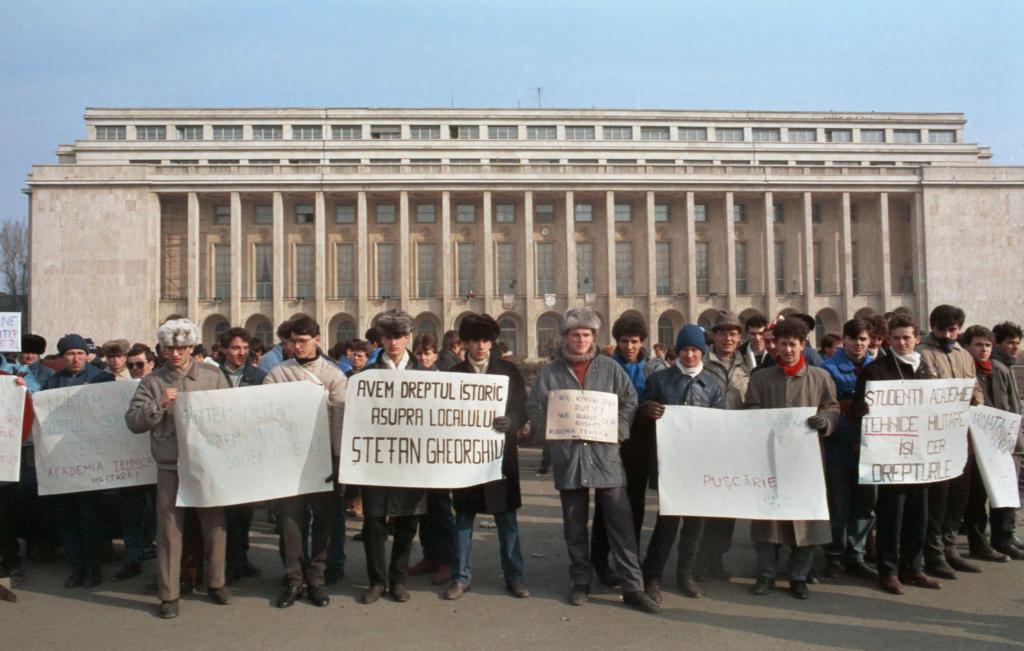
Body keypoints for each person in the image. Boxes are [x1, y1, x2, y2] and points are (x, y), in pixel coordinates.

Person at [526, 307, 659, 613]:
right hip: (569, 457)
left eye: (586, 335)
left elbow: (629, 401)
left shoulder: (609, 369)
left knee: (621, 523)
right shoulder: (551, 373)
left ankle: (633, 587)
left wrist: (620, 429)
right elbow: (534, 406)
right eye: (575, 334)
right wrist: (550, 431)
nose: (581, 340)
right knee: (574, 525)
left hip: (606, 456)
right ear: (565, 337)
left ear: (594, 336)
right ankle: (580, 581)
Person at [125, 319, 232, 619]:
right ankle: (169, 594)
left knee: (215, 525)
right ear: (161, 349)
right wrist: (158, 405)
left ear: (191, 347)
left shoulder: (213, 376)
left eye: (181, 348)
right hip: (169, 465)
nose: (175, 353)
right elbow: (133, 421)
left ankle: (217, 582)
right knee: (169, 530)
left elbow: (230, 414)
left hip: (207, 464)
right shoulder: (152, 382)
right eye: (169, 348)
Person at [745, 318, 839, 600]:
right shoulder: (761, 379)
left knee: (806, 518)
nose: (787, 349)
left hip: (806, 461)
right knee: (768, 520)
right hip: (770, 459)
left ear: (803, 345)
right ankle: (766, 574)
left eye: (793, 344)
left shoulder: (820, 377)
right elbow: (751, 409)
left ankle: (799, 576)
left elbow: (832, 407)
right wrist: (761, 420)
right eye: (782, 343)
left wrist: (826, 420)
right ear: (775, 345)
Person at [851, 313, 942, 593]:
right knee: (892, 515)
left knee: (919, 514)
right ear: (888, 340)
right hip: (890, 454)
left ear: (917, 338)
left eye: (907, 338)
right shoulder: (875, 371)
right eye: (896, 338)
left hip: (920, 454)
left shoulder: (927, 369)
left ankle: (913, 567)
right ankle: (888, 571)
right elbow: (857, 410)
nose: (902, 343)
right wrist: (869, 411)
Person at [263, 317, 347, 608]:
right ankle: (293, 578)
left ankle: (317, 577)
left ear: (317, 339)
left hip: (324, 460)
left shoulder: (334, 375)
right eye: (292, 341)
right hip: (289, 460)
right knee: (290, 522)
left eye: (303, 341)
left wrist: (338, 459)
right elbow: (266, 417)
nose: (297, 346)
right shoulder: (277, 374)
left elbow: (340, 418)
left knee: (324, 521)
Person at [445, 314, 530, 600]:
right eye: (474, 340)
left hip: (500, 457)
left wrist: (512, 420)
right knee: (463, 519)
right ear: (465, 343)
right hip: (466, 458)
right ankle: (461, 577)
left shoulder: (508, 371)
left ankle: (514, 576)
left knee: (507, 520)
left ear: (492, 342)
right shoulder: (454, 374)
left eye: (485, 340)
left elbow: (522, 408)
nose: (480, 346)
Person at [639, 324, 724, 602]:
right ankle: (653, 575)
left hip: (699, 464)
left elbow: (719, 425)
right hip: (670, 462)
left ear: (703, 352)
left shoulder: (711, 385)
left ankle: (685, 574)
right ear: (677, 352)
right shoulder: (660, 380)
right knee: (667, 522)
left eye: (695, 350)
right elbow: (641, 413)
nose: (689, 355)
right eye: (685, 349)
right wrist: (646, 410)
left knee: (695, 524)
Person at [589, 314, 666, 588]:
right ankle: (600, 561)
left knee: (635, 504)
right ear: (617, 341)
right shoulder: (604, 367)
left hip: (640, 445)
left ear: (642, 341)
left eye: (634, 341)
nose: (629, 346)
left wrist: (649, 410)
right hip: (609, 443)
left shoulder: (652, 370)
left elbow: (658, 401)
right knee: (605, 505)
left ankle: (630, 560)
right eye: (624, 341)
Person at [358, 309, 428, 605]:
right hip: (376, 460)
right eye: (388, 336)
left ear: (408, 337)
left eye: (399, 336)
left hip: (412, 461)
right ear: (381, 339)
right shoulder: (365, 376)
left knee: (407, 523)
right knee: (374, 522)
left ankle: (398, 580)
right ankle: (376, 581)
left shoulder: (426, 376)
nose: (393, 342)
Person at [917, 304, 987, 579]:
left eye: (952, 330)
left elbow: (975, 388)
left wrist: (975, 402)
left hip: (960, 434)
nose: (947, 335)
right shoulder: (922, 353)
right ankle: (933, 553)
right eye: (941, 329)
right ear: (932, 327)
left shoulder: (963, 355)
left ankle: (950, 548)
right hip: (934, 437)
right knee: (938, 498)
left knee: (959, 496)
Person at [42, 334, 116, 589]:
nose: (76, 358)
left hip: (91, 461)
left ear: (87, 355)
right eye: (70, 354)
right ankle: (77, 566)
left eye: (80, 353)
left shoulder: (101, 379)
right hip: (62, 462)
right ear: (63, 356)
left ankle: (93, 567)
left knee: (89, 516)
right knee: (65, 517)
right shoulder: (52, 382)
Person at [695, 310, 752, 582]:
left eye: (733, 333)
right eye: (722, 333)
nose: (728, 338)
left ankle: (716, 558)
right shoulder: (702, 365)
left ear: (739, 337)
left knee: (728, 509)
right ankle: (697, 560)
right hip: (706, 444)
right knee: (703, 507)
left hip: (736, 446)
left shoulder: (747, 366)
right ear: (714, 336)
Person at [821, 318, 878, 582]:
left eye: (863, 339)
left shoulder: (877, 367)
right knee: (838, 505)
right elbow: (827, 407)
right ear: (844, 339)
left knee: (865, 505)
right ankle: (834, 555)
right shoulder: (829, 369)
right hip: (839, 447)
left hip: (871, 448)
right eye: (853, 339)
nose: (858, 344)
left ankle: (857, 554)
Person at [960, 325, 1023, 560]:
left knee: (1003, 490)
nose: (983, 349)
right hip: (976, 444)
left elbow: (1010, 405)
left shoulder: (995, 369)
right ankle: (979, 543)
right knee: (977, 497)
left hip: (999, 440)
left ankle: (1003, 537)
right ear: (968, 347)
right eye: (978, 344)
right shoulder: (967, 371)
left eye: (987, 345)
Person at [217, 327, 268, 583]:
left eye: (245, 348)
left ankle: (241, 558)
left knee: (245, 511)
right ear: (224, 349)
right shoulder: (211, 375)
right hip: (220, 452)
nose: (241, 353)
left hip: (248, 453)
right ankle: (225, 561)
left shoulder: (259, 377)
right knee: (225, 511)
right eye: (236, 348)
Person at [407, 333, 457, 586]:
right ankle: (430, 557)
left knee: (441, 510)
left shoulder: (446, 380)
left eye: (427, 353)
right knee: (423, 511)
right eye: (419, 353)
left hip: (439, 455)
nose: (424, 358)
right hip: (415, 454)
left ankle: (448, 561)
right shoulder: (407, 379)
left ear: (436, 355)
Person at [0, 373, 31, 582]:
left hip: (3, 463)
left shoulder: (6, 381)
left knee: (4, 516)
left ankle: (10, 560)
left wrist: (22, 393)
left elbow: (25, 419)